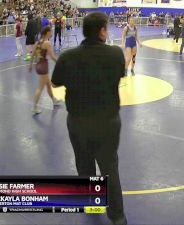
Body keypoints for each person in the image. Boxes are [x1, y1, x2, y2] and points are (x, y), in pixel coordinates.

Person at [50, 12, 127, 225]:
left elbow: (55, 83)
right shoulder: (115, 55)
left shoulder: (68, 57)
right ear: (102, 31)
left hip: (78, 123)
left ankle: (92, 203)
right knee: (110, 168)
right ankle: (118, 217)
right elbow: (120, 75)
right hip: (108, 123)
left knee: (84, 166)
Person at [28, 26, 60, 114]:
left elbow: (33, 55)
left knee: (48, 84)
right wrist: (60, 63)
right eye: (51, 31)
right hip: (43, 67)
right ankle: (34, 107)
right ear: (47, 33)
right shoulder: (47, 43)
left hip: (38, 66)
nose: (52, 32)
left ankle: (54, 100)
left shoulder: (37, 42)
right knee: (40, 88)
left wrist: (30, 66)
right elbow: (52, 56)